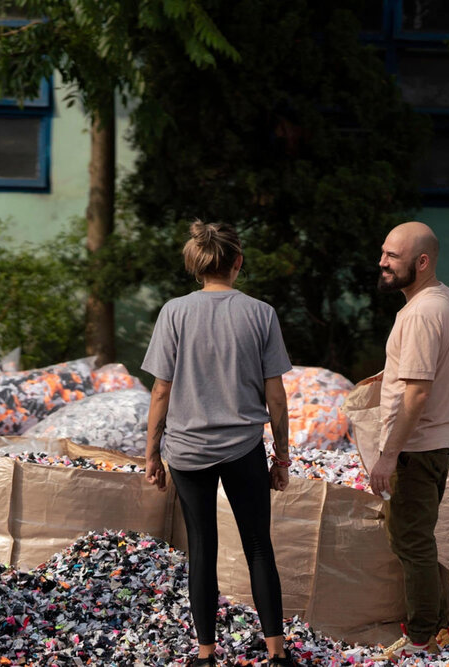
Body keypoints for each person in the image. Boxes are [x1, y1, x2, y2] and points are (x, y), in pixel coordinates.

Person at [142, 220, 297, 667]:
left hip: (187, 452)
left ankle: (206, 655)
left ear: (196, 265)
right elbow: (276, 397)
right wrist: (281, 455)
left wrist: (152, 454)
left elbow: (160, 391)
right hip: (243, 447)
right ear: (238, 263)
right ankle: (276, 653)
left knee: (202, 548)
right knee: (258, 546)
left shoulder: (174, 312)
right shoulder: (260, 313)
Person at [369, 221, 449, 661]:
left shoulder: (425, 312)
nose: (382, 262)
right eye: (384, 253)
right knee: (418, 540)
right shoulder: (446, 301)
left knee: (412, 543)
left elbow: (418, 391)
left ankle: (422, 639)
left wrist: (389, 455)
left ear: (422, 262)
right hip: (434, 443)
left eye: (392, 256)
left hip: (417, 448)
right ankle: (439, 630)